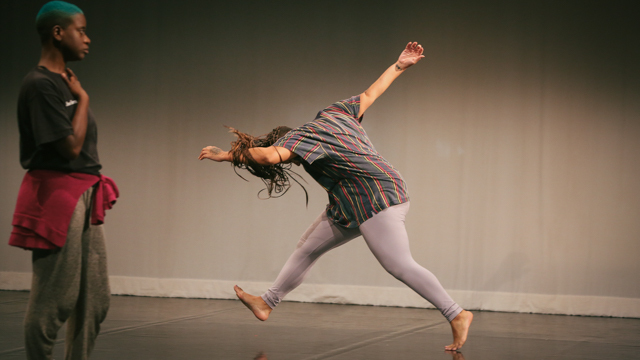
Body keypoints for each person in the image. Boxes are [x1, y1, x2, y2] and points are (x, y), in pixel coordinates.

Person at [199, 42, 472, 351]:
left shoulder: (298, 139)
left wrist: (225, 156)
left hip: (373, 196)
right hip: (354, 200)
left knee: (399, 265)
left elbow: (264, 158)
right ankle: (267, 302)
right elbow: (371, 93)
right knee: (307, 248)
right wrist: (399, 65)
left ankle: (456, 313)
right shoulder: (335, 112)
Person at [9, 1, 118, 359]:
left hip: (83, 194)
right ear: (58, 33)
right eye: (81, 30)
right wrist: (83, 99)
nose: (87, 39)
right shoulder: (41, 85)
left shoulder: (61, 83)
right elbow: (70, 148)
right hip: (56, 196)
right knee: (53, 300)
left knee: (95, 300)